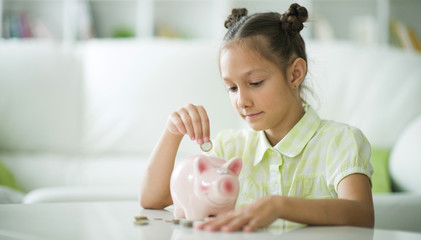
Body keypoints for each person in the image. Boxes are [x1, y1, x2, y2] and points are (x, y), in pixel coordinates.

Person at [140, 3, 374, 232]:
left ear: (295, 74)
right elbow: (154, 200)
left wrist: (280, 205)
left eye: (255, 83)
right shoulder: (229, 149)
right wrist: (172, 132)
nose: (241, 101)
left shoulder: (340, 141)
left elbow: (362, 214)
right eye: (232, 88)